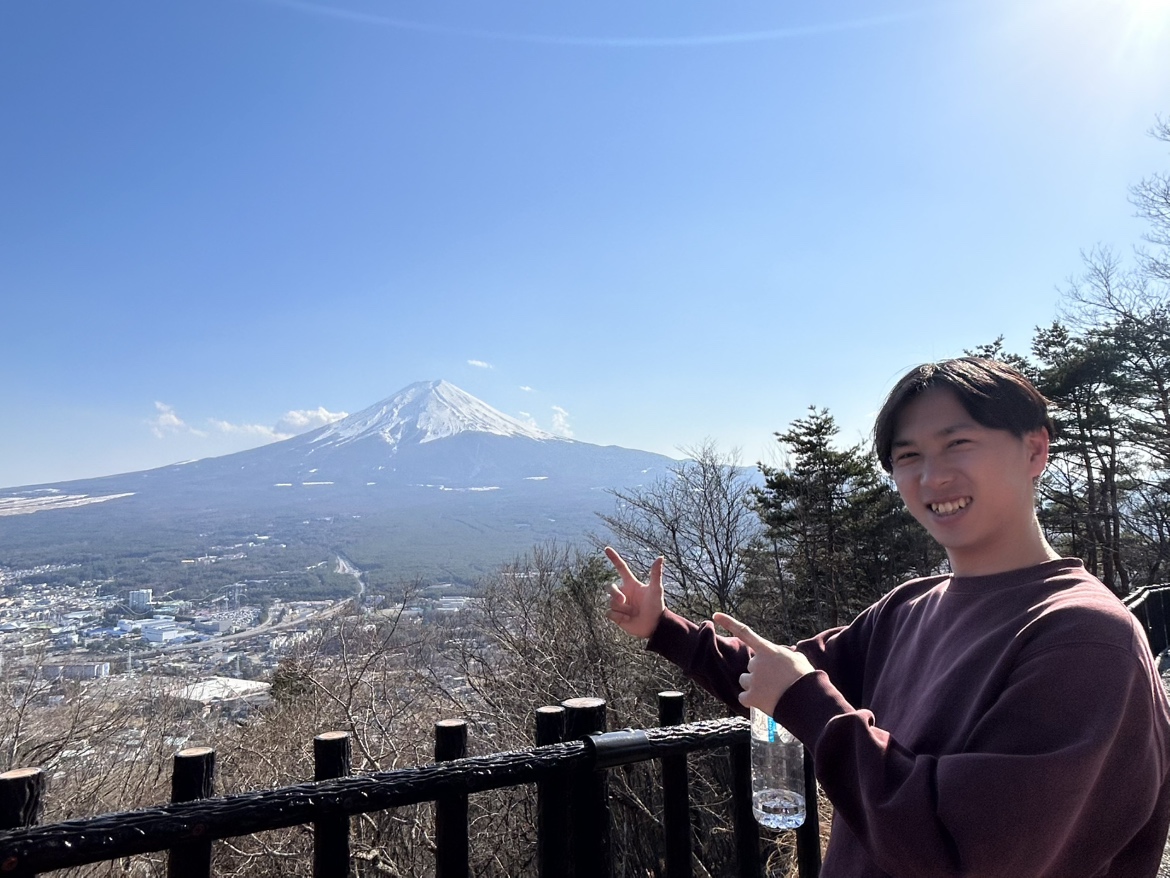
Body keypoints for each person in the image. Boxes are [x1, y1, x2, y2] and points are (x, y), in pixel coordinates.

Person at [605, 357, 1170, 878]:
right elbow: (779, 676)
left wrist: (808, 705)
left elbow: (961, 853)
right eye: (908, 457)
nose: (932, 477)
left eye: (958, 443)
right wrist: (665, 629)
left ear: (1035, 450)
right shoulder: (909, 607)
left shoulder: (1084, 638)